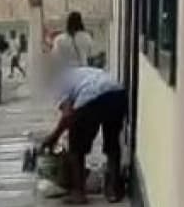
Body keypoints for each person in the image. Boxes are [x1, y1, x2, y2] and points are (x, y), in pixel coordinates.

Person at [41, 65, 127, 204]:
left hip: (92, 98)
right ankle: (113, 189)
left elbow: (68, 114)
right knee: (112, 143)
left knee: (75, 148)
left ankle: (78, 193)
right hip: (118, 94)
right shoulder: (80, 72)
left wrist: (54, 136)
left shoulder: (59, 84)